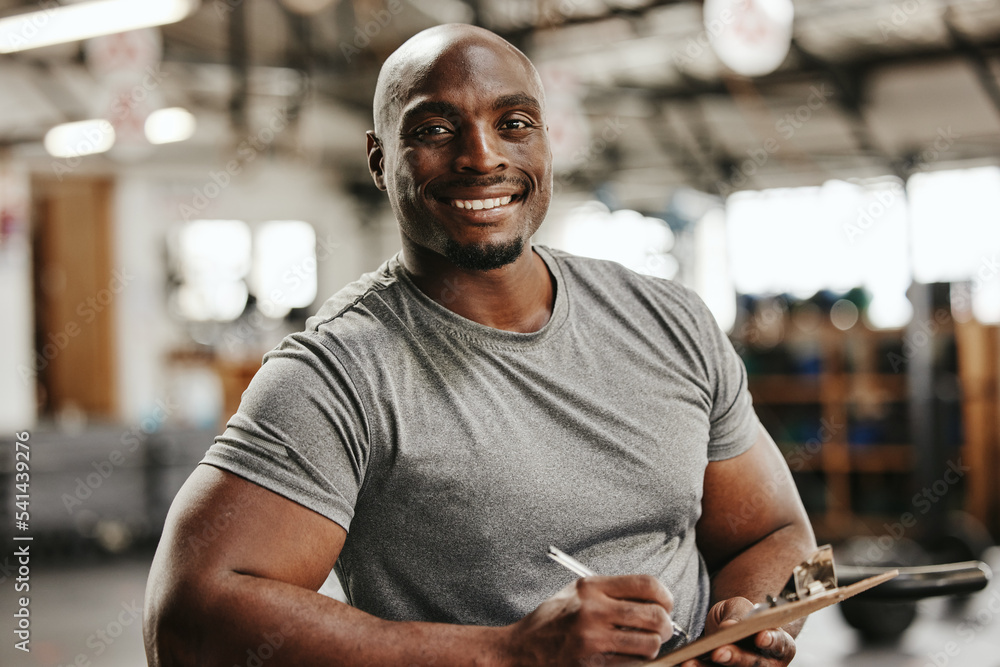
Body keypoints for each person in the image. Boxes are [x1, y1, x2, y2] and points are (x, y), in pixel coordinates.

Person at [144, 23, 816, 667]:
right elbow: (187, 621)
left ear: (546, 143)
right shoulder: (336, 374)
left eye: (513, 124)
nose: (482, 157)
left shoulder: (670, 321)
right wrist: (511, 654)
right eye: (436, 129)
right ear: (379, 160)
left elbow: (775, 533)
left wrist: (751, 620)